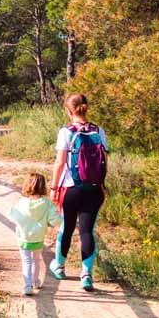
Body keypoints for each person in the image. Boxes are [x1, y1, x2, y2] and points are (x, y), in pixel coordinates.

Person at [50, 92, 108, 292]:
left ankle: (59, 266)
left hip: (70, 188)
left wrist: (54, 188)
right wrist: (100, 184)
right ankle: (86, 275)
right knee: (86, 231)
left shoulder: (66, 131)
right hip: (94, 189)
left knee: (66, 227)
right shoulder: (98, 131)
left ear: (68, 111)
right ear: (86, 108)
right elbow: (105, 162)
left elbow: (60, 163)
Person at [9, 172, 61, 296]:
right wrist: (50, 223)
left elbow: (13, 216)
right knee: (36, 260)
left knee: (26, 261)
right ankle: (36, 281)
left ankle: (27, 286)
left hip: (23, 237)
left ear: (26, 185)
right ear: (43, 187)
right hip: (38, 238)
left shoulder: (22, 202)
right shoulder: (47, 203)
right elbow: (56, 220)